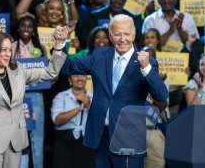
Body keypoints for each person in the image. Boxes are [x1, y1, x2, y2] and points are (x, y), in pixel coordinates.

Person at [60, 14, 168, 168]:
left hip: (129, 136)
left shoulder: (148, 62)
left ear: (134, 34)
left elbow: (162, 95)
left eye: (126, 34)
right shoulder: (99, 55)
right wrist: (60, 43)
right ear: (110, 35)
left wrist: (146, 69)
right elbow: (66, 66)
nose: (122, 39)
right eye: (117, 34)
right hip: (101, 134)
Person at [0, 28, 67, 168]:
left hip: (14, 141)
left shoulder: (18, 70)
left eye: (10, 50)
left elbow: (50, 73)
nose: (8, 54)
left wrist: (58, 46)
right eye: (3, 50)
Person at [11, 15, 46, 168]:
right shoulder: (10, 47)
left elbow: (46, 74)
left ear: (34, 30)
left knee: (37, 137)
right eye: (23, 26)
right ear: (18, 29)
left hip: (35, 95)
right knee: (16, 135)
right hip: (15, 96)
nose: (26, 29)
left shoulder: (40, 48)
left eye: (30, 26)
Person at [51, 74, 95, 168]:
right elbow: (57, 119)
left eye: (82, 76)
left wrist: (88, 106)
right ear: (69, 80)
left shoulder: (94, 97)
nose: (79, 78)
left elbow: (100, 122)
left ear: (86, 79)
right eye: (75, 76)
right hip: (65, 142)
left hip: (87, 143)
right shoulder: (61, 96)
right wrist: (78, 109)